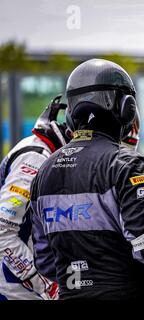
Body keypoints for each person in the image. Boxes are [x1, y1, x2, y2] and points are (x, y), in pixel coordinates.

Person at [30, 58, 144, 300]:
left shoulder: (44, 171)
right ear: (126, 108)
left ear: (71, 111)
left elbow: (45, 261)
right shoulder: (126, 165)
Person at [0, 96, 69, 300]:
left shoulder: (46, 153)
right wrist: (47, 286)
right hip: (14, 290)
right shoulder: (36, 159)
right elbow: (2, 230)